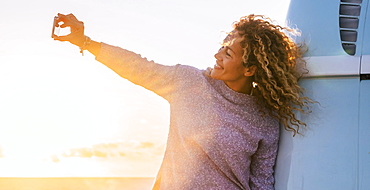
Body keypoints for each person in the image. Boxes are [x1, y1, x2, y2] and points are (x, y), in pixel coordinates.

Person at [53, 13, 313, 190]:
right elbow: (138, 67)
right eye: (221, 46)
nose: (217, 54)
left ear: (249, 69)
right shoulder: (188, 83)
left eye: (228, 52)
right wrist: (85, 42)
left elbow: (261, 183)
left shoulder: (264, 118)